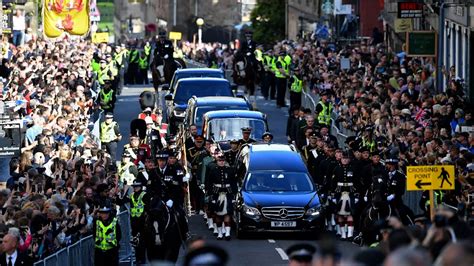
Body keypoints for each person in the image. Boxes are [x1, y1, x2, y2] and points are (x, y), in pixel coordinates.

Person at [208, 155, 237, 240]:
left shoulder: (230, 170)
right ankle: (220, 233)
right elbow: (209, 184)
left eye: (223, 161)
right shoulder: (213, 171)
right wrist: (211, 196)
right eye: (220, 161)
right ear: (217, 162)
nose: (221, 162)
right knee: (217, 214)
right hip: (217, 193)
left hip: (228, 193)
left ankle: (227, 233)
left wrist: (234, 195)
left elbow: (234, 183)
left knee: (228, 213)